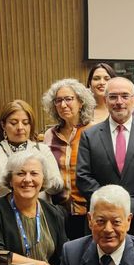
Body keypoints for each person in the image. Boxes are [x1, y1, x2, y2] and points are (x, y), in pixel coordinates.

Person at [76, 77, 134, 245]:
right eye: (113, 96)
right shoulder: (90, 135)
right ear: (105, 100)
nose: (119, 102)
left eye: (125, 96)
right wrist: (110, 207)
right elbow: (83, 177)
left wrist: (128, 206)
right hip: (103, 225)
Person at [0, 151, 66, 265]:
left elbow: (64, 256)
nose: (27, 179)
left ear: (43, 179)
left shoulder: (53, 212)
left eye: (34, 173)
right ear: (10, 180)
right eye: (20, 173)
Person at [0, 99, 62, 201]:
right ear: (3, 125)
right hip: (3, 213)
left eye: (25, 123)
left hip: (37, 212)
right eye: (13, 123)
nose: (20, 127)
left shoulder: (42, 150)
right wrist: (7, 180)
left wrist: (42, 179)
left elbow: (58, 186)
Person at [42, 78, 97, 239]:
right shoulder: (50, 135)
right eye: (58, 100)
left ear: (81, 102)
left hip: (88, 210)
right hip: (57, 211)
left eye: (68, 99)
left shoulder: (94, 131)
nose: (63, 104)